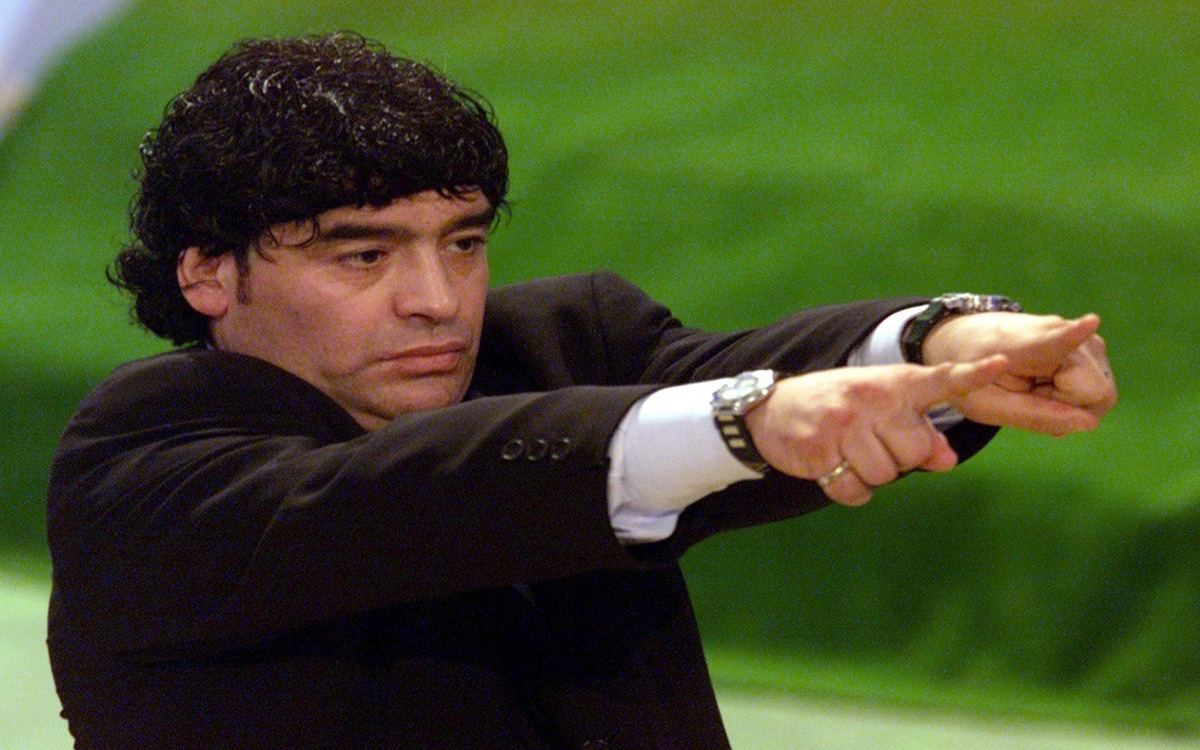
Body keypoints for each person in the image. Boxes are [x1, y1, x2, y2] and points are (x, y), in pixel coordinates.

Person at [45, 32, 1116, 750]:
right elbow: (426, 493)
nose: (437, 302)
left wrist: (953, 343)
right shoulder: (140, 459)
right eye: (363, 256)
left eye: (462, 243)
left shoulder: (562, 343)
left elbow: (740, 366)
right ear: (209, 273)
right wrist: (751, 420)